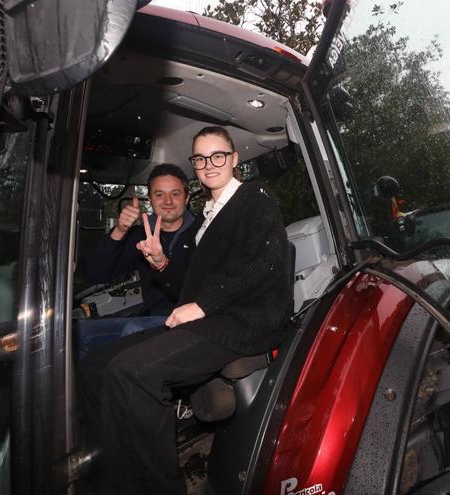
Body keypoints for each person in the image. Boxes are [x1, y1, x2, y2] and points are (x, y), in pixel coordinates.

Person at [78, 126, 293, 493]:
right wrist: (161, 262)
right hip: (211, 318)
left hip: (242, 322)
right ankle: (109, 478)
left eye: (218, 155)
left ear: (233, 159)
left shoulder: (253, 196)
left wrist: (203, 305)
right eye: (200, 158)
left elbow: (265, 262)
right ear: (194, 164)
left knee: (134, 372)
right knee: (96, 365)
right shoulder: (208, 215)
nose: (209, 164)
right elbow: (190, 286)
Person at [76, 164, 201, 359]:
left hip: (192, 321)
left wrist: (162, 262)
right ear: (150, 200)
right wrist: (120, 230)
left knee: (132, 330)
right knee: (81, 332)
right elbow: (96, 273)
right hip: (149, 317)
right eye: (159, 194)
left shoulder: (203, 232)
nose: (167, 201)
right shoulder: (140, 235)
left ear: (186, 198)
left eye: (175, 194)